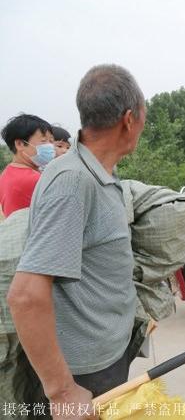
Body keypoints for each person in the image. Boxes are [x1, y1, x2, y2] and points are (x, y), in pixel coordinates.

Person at [7, 63, 146, 419]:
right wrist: (63, 390)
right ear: (129, 120)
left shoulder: (100, 175)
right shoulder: (72, 182)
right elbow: (25, 296)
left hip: (107, 357)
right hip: (86, 374)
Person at [0, 114, 54, 217]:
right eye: (43, 141)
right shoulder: (33, 179)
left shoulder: (7, 173)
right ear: (20, 144)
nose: (50, 146)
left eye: (51, 141)